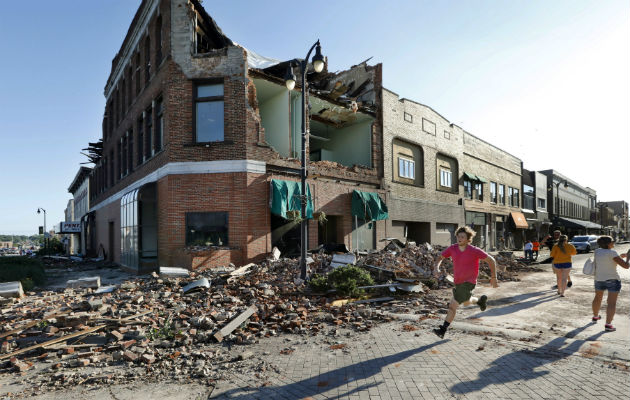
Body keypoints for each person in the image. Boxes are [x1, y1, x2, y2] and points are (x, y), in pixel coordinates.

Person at [432, 226, 498, 338]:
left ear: (468, 239)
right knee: (463, 301)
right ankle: (480, 301)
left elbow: (491, 260)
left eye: (463, 236)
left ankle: (442, 330)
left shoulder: (474, 250)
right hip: (458, 282)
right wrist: (436, 268)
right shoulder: (453, 248)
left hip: (469, 282)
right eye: (458, 236)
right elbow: (440, 257)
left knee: (452, 305)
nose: (460, 238)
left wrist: (494, 277)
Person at [591, 236, 629, 332]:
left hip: (599, 278)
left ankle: (595, 316)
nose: (614, 243)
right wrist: (628, 258)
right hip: (612, 279)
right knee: (611, 303)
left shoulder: (597, 251)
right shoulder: (612, 253)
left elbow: (607, 259)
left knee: (597, 298)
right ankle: (608, 325)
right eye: (612, 241)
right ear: (608, 244)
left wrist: (620, 256)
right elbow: (626, 266)